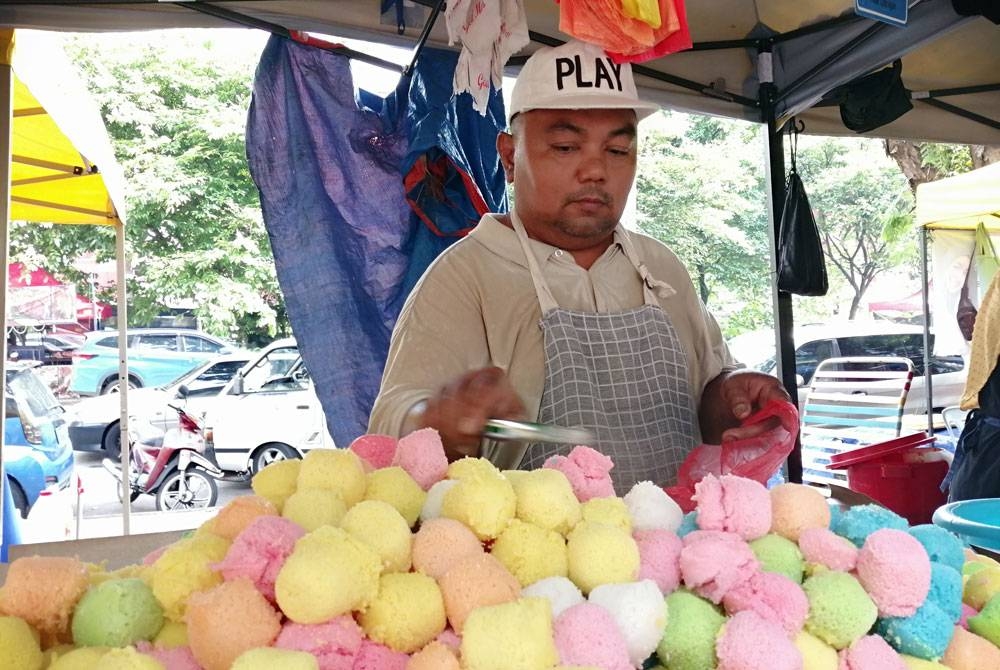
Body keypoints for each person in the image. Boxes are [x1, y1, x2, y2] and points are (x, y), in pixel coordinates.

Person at [369, 40, 789, 491]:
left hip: (677, 547)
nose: (595, 171)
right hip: (540, 557)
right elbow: (391, 422)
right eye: (567, 146)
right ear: (510, 156)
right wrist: (435, 422)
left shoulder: (661, 266)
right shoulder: (464, 276)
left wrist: (732, 393)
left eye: (617, 150)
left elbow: (707, 400)